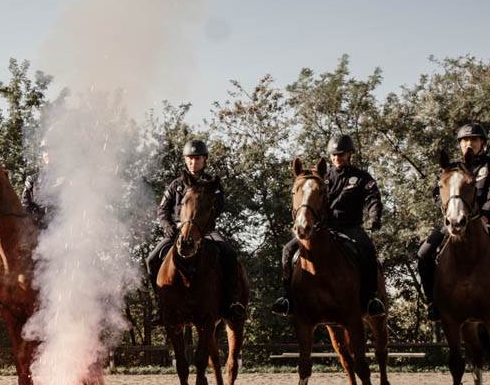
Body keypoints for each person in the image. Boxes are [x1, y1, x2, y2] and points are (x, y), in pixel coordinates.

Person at [417, 122, 490, 322]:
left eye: (473, 139)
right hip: (456, 220)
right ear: (460, 144)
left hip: (489, 220)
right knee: (423, 254)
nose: (469, 143)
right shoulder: (451, 169)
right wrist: (448, 211)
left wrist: (485, 216)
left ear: (482, 143)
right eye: (464, 140)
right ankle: (432, 302)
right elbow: (438, 194)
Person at [273, 134, 386, 317]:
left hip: (350, 227)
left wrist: (374, 217)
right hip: (322, 228)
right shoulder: (322, 178)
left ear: (349, 154)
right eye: (333, 155)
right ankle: (287, 297)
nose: (336, 158)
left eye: (340, 154)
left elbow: (373, 199)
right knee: (287, 250)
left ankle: (371, 298)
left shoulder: (362, 177)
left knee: (367, 249)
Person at [146, 139, 246, 322]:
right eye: (190, 158)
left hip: (205, 231)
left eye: (197, 158)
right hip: (178, 232)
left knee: (229, 254)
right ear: (185, 160)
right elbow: (162, 210)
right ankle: (161, 306)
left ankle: (231, 302)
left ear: (204, 159)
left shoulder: (212, 184)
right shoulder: (175, 185)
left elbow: (219, 206)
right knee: (151, 260)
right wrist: (168, 226)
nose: (193, 162)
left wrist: (201, 225)